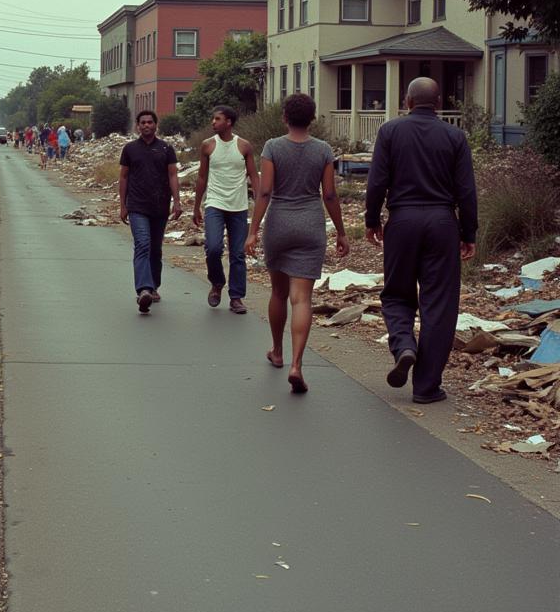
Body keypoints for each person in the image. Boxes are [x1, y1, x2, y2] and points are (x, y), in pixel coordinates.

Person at [364, 77, 477, 404]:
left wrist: (372, 220)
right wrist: (468, 233)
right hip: (443, 222)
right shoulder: (455, 136)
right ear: (438, 103)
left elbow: (377, 182)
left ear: (407, 102)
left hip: (402, 221)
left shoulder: (390, 132)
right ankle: (426, 387)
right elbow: (467, 191)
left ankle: (403, 346)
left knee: (397, 292)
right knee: (439, 304)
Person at [245, 94, 348, 394]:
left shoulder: (273, 147)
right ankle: (297, 365)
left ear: (284, 118)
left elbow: (265, 193)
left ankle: (277, 351)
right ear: (312, 118)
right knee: (301, 299)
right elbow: (329, 194)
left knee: (278, 293)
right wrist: (341, 231)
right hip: (310, 225)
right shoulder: (323, 150)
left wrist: (252, 231)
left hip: (279, 224)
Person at [192, 105, 260, 313]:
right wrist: (196, 207)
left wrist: (259, 203)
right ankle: (217, 282)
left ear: (228, 122)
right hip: (214, 203)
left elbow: (253, 176)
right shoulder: (208, 146)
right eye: (213, 119)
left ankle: (236, 297)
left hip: (238, 206)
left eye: (217, 119)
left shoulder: (244, 146)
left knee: (238, 254)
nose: (213, 122)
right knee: (213, 248)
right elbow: (202, 177)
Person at [119, 109, 182, 313]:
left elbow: (172, 175)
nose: (146, 125)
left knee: (155, 249)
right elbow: (124, 177)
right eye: (143, 122)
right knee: (143, 245)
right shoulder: (130, 149)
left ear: (156, 125)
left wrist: (178, 202)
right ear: (138, 126)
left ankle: (153, 285)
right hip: (137, 206)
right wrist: (123, 205)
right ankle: (143, 290)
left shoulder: (165, 149)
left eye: (150, 122)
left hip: (160, 206)